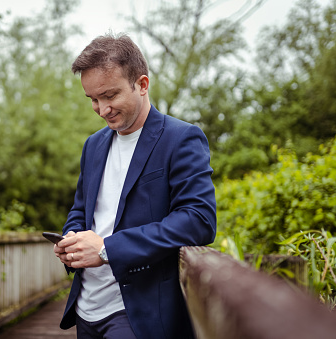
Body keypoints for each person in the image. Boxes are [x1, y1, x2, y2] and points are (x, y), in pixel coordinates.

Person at [53, 33, 217, 339]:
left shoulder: (182, 139)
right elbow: (81, 209)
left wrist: (106, 249)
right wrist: (72, 238)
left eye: (110, 95)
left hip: (136, 314)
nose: (102, 110)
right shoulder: (93, 145)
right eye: (92, 99)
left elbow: (199, 220)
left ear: (142, 84)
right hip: (86, 309)